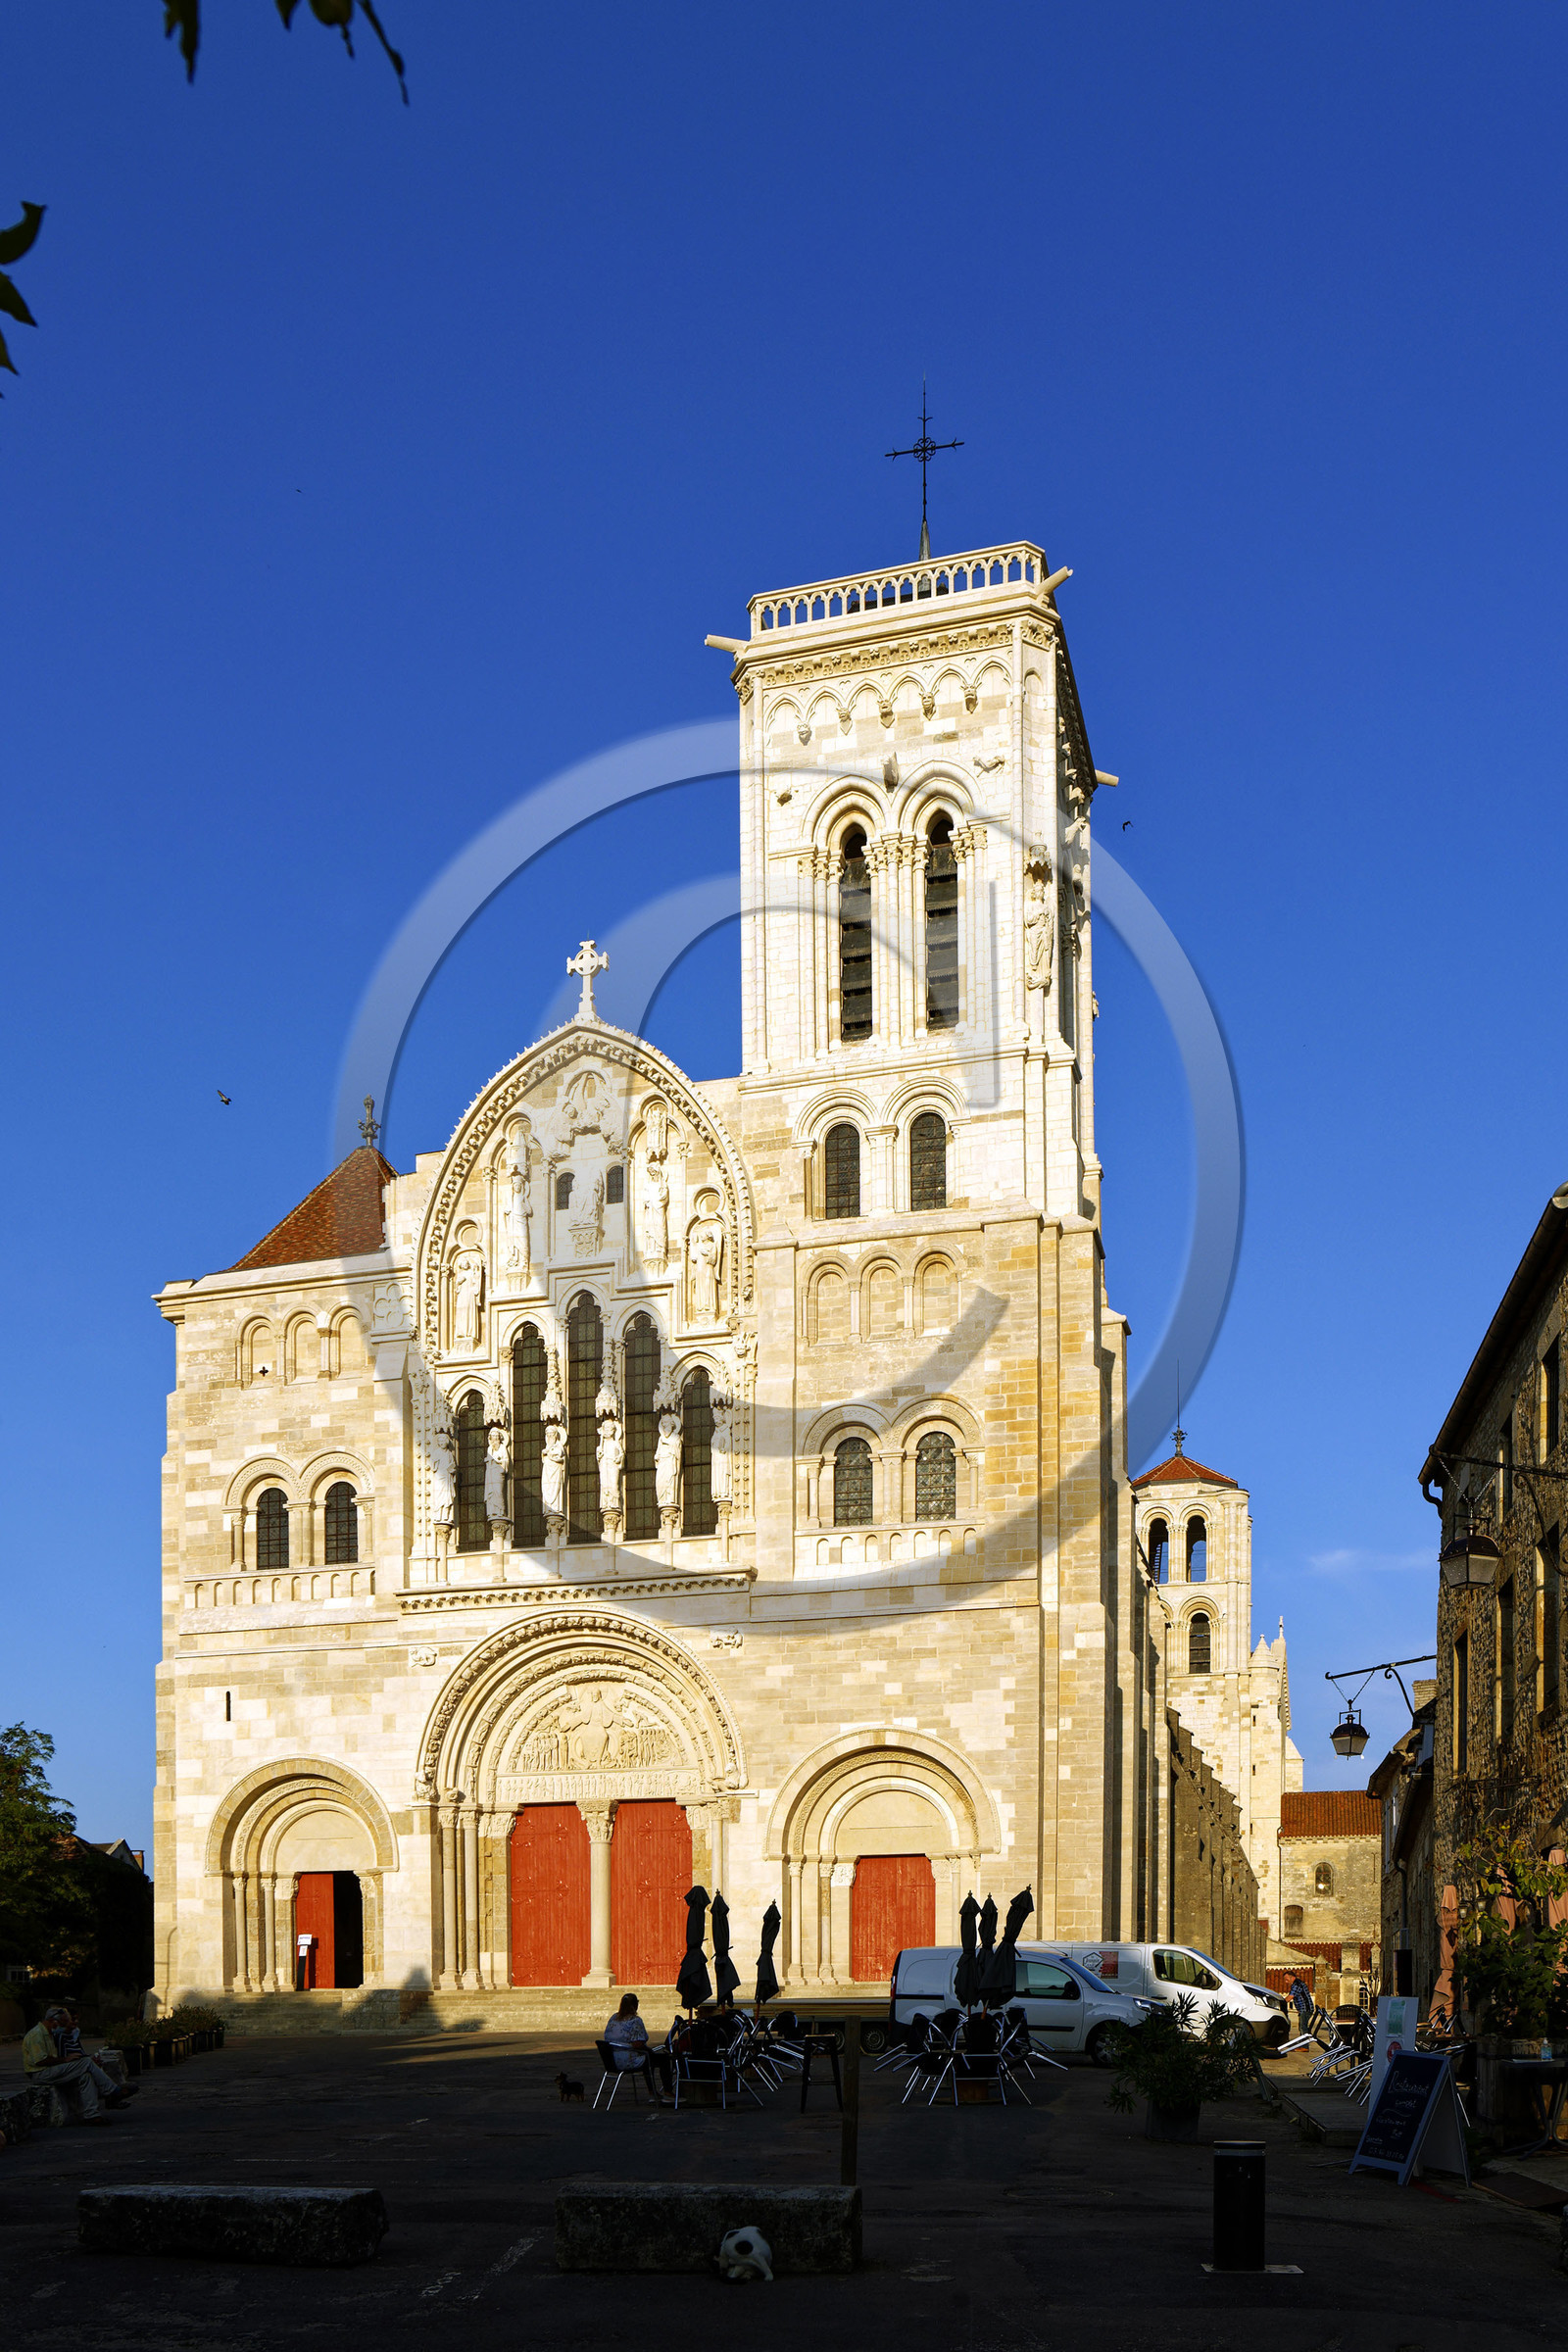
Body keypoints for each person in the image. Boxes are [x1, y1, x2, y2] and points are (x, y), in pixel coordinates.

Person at [22, 2006, 136, 2124]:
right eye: (62, 2023)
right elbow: (40, 2061)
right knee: (85, 2062)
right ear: (53, 2021)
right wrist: (65, 2060)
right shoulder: (36, 2035)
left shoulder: (49, 2034)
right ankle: (111, 2091)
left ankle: (92, 2115)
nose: (64, 2027)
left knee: (86, 2076)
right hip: (40, 2073)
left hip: (50, 2070)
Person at [604, 1991, 671, 2099]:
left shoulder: (613, 2018)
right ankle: (667, 2091)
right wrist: (650, 2051)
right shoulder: (634, 2021)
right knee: (662, 2059)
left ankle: (652, 2091)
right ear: (635, 2005)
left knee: (648, 2058)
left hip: (611, 2059)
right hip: (628, 2060)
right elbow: (637, 2044)